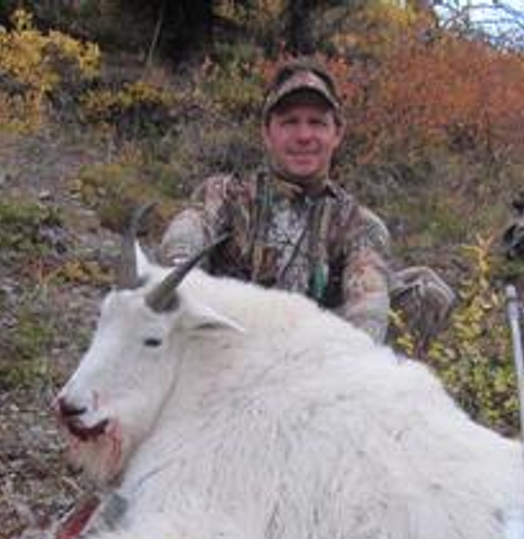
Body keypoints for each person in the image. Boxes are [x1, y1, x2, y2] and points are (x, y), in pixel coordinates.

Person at [159, 59, 454, 348]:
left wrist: (361, 352)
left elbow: (369, 296)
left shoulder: (359, 224)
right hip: (228, 348)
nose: (303, 136)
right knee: (157, 296)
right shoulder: (225, 195)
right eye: (289, 122)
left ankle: (367, 389)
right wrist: (180, 282)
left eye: (316, 122)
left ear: (336, 133)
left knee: (427, 292)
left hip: (313, 360)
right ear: (267, 132)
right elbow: (189, 229)